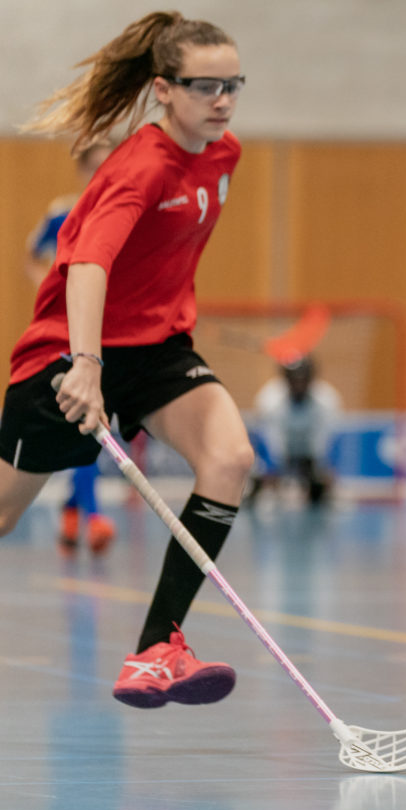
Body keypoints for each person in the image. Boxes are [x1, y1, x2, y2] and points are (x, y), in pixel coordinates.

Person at [0, 12, 254, 709]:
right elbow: (87, 263)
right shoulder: (141, 167)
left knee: (230, 458)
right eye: (205, 86)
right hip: (68, 350)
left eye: (233, 84)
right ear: (164, 90)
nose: (223, 100)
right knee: (4, 514)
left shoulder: (224, 154)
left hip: (158, 349)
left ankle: (155, 649)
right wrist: (86, 364)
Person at [24, 142, 119, 554]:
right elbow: (31, 256)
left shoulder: (125, 215)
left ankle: (71, 507)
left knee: (93, 424)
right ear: (81, 170)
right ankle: (93, 517)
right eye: (94, 166)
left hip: (111, 333)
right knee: (87, 422)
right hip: (66, 333)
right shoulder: (63, 213)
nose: (101, 174)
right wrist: (47, 290)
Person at [245, 355, 340, 506]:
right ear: (286, 380)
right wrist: (272, 469)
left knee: (320, 487)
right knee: (259, 478)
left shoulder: (326, 400)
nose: (299, 385)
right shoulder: (269, 400)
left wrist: (321, 468)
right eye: (294, 380)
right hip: (281, 453)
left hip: (309, 453)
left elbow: (325, 439)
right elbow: (269, 439)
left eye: (303, 380)